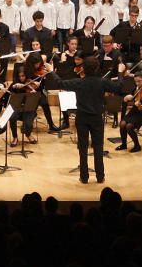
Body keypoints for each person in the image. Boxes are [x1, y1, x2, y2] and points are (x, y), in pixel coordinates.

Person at [47, 56, 126, 184]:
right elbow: (119, 88)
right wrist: (121, 72)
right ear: (96, 68)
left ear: (83, 69)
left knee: (82, 148)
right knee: (98, 147)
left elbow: (59, 83)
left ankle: (84, 177)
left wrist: (51, 71)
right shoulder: (102, 82)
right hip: (96, 118)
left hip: (82, 118)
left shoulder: (79, 82)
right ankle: (100, 176)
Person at [117, 72, 142, 153]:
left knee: (129, 126)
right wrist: (126, 99)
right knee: (122, 123)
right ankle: (124, 144)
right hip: (135, 111)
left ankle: (137, 146)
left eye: (139, 81)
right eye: (136, 81)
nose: (137, 83)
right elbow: (132, 99)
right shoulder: (136, 88)